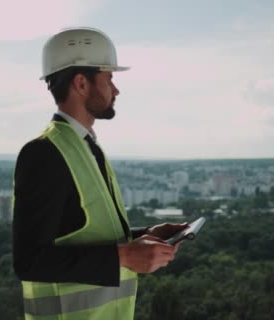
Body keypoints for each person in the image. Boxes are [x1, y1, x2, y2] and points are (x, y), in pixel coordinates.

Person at [12, 27, 187, 320]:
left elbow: (82, 234)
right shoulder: (43, 153)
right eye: (109, 78)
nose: (115, 90)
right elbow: (29, 260)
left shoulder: (86, 148)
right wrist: (125, 255)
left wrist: (144, 237)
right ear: (81, 83)